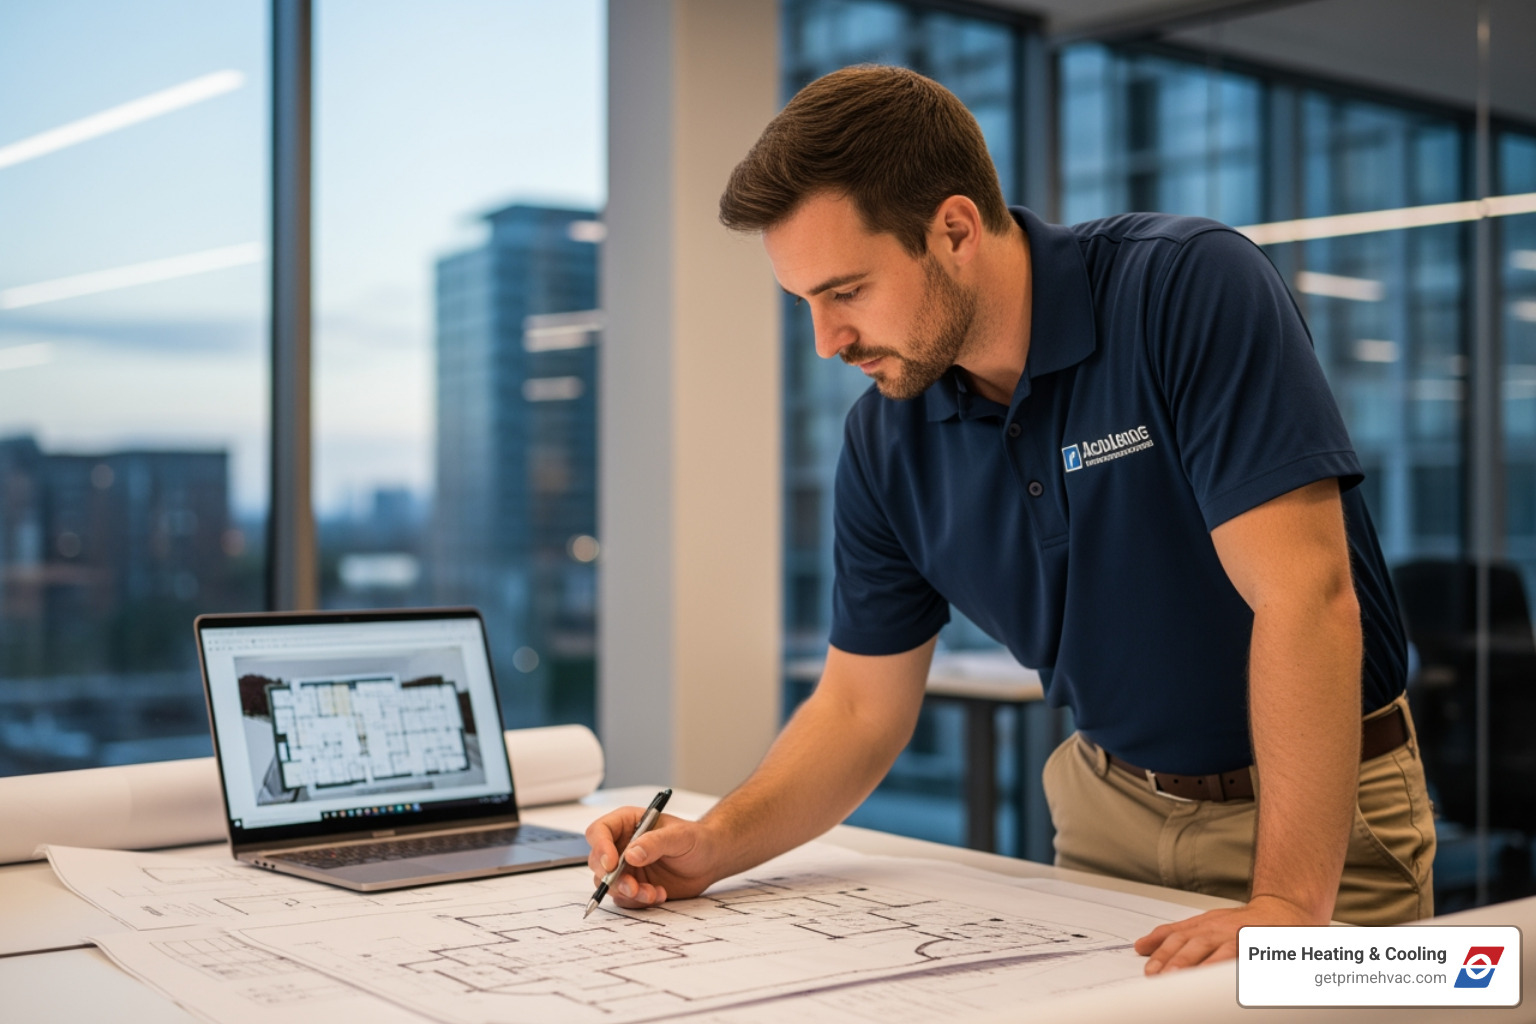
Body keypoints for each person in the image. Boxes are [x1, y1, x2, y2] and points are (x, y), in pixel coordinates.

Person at [586, 65, 1435, 974]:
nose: (827, 341)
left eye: (845, 292)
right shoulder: (885, 436)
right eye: (806, 304)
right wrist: (714, 843)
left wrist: (1284, 906)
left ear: (953, 230)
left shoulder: (1185, 289)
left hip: (1316, 822)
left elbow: (1305, 597)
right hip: (1104, 811)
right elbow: (860, 709)